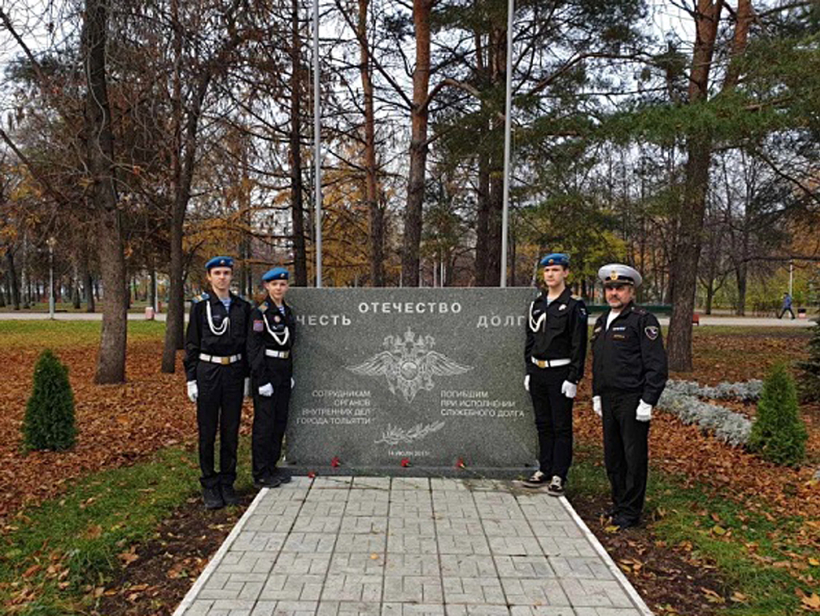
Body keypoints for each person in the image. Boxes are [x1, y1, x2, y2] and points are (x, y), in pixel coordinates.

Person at [590, 263, 668, 529]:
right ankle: (619, 503)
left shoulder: (643, 320)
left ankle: (631, 512)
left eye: (619, 288)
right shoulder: (602, 322)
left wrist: (648, 400)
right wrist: (597, 394)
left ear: (631, 291)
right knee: (613, 456)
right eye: (609, 288)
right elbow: (599, 362)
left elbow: (656, 365)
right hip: (609, 398)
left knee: (633, 457)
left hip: (633, 399)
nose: (614, 293)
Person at [184, 256, 252, 509]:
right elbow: (191, 344)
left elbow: (247, 345)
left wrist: (247, 378)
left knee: (230, 430)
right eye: (217, 273)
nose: (222, 277)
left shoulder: (241, 306)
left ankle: (227, 481)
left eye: (226, 272)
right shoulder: (200, 306)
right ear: (209, 277)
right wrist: (191, 379)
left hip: (233, 370)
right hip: (208, 370)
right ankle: (209, 484)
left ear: (231, 275)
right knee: (208, 430)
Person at [522, 253, 588, 495]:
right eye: (547, 271)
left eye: (556, 270)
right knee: (543, 424)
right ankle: (545, 468)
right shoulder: (537, 304)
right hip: (538, 371)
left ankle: (559, 474)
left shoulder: (574, 305)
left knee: (561, 426)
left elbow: (578, 345)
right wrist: (529, 370)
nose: (550, 275)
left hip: (560, 372)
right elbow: (530, 339)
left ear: (566, 273)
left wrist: (573, 377)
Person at [248, 267, 296, 489]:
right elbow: (255, 348)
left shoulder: (287, 311)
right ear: (267, 286)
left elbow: (289, 344)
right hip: (266, 371)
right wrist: (261, 379)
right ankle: (260, 472)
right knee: (264, 425)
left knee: (279, 422)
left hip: (283, 370)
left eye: (283, 284)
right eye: (274, 284)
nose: (279, 288)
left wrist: (290, 373)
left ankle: (272, 466)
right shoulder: (260, 313)